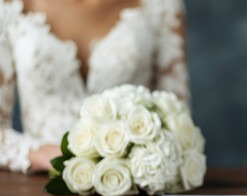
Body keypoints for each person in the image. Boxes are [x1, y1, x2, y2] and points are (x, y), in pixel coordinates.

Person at [0, 0, 189, 173]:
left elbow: (178, 119)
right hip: (37, 188)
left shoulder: (161, 5)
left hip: (133, 185)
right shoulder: (10, 7)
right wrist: (39, 154)